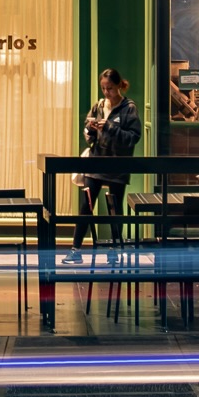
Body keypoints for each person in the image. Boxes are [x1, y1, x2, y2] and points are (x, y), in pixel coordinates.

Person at [65, 68, 141, 264]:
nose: (107, 93)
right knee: (86, 206)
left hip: (117, 165)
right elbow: (87, 130)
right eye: (103, 88)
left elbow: (133, 138)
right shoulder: (98, 106)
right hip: (97, 161)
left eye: (110, 89)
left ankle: (115, 250)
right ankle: (76, 249)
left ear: (119, 86)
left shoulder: (129, 108)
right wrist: (89, 131)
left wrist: (109, 127)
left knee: (114, 208)